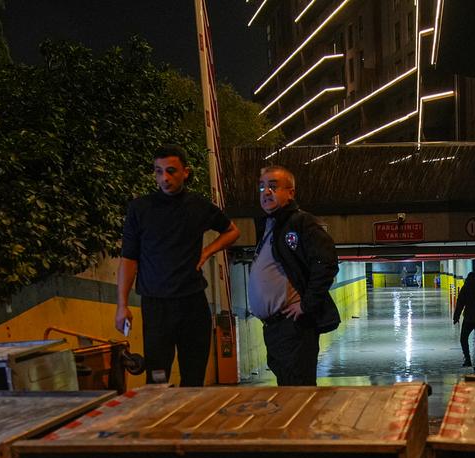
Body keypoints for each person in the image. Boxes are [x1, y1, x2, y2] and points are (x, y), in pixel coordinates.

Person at [116, 145, 240, 386]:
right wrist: (121, 305)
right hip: (156, 304)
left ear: (185, 172)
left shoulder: (199, 206)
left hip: (192, 301)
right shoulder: (140, 209)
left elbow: (232, 231)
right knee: (157, 377)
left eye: (171, 171)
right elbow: (128, 259)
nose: (164, 178)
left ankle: (191, 423)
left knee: (193, 377)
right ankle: (163, 422)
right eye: (158, 171)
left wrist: (207, 251)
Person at [249, 165, 340, 386]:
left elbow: (326, 262)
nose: (266, 192)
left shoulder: (301, 223)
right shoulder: (270, 226)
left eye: (273, 186)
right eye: (262, 187)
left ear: (290, 193)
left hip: (294, 326)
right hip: (275, 328)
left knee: (298, 391)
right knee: (288, 387)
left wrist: (306, 305)